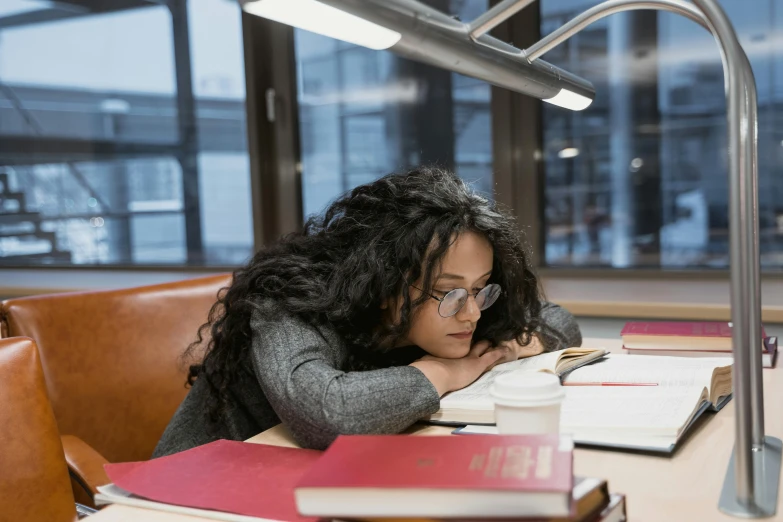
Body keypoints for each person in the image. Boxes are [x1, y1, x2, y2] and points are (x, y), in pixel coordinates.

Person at [153, 167, 581, 456]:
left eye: (481, 290)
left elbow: (558, 320)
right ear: (383, 283)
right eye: (450, 294)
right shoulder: (288, 302)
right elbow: (327, 413)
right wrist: (447, 372)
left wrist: (504, 347)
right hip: (190, 495)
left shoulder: (461, 313)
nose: (472, 315)